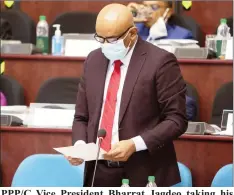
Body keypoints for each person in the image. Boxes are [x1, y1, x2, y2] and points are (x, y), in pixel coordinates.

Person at [68, 3, 188, 187]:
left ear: (132, 33)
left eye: (112, 40)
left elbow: (176, 119)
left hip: (144, 171)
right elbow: (82, 117)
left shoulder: (160, 62)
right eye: (100, 39)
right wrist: (79, 146)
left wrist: (135, 144)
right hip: (98, 172)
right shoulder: (93, 60)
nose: (106, 45)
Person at [127, 1, 193, 40]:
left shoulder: (182, 36)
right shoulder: (133, 30)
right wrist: (126, 17)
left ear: (168, 12)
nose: (147, 11)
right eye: (145, 6)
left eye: (154, 7)